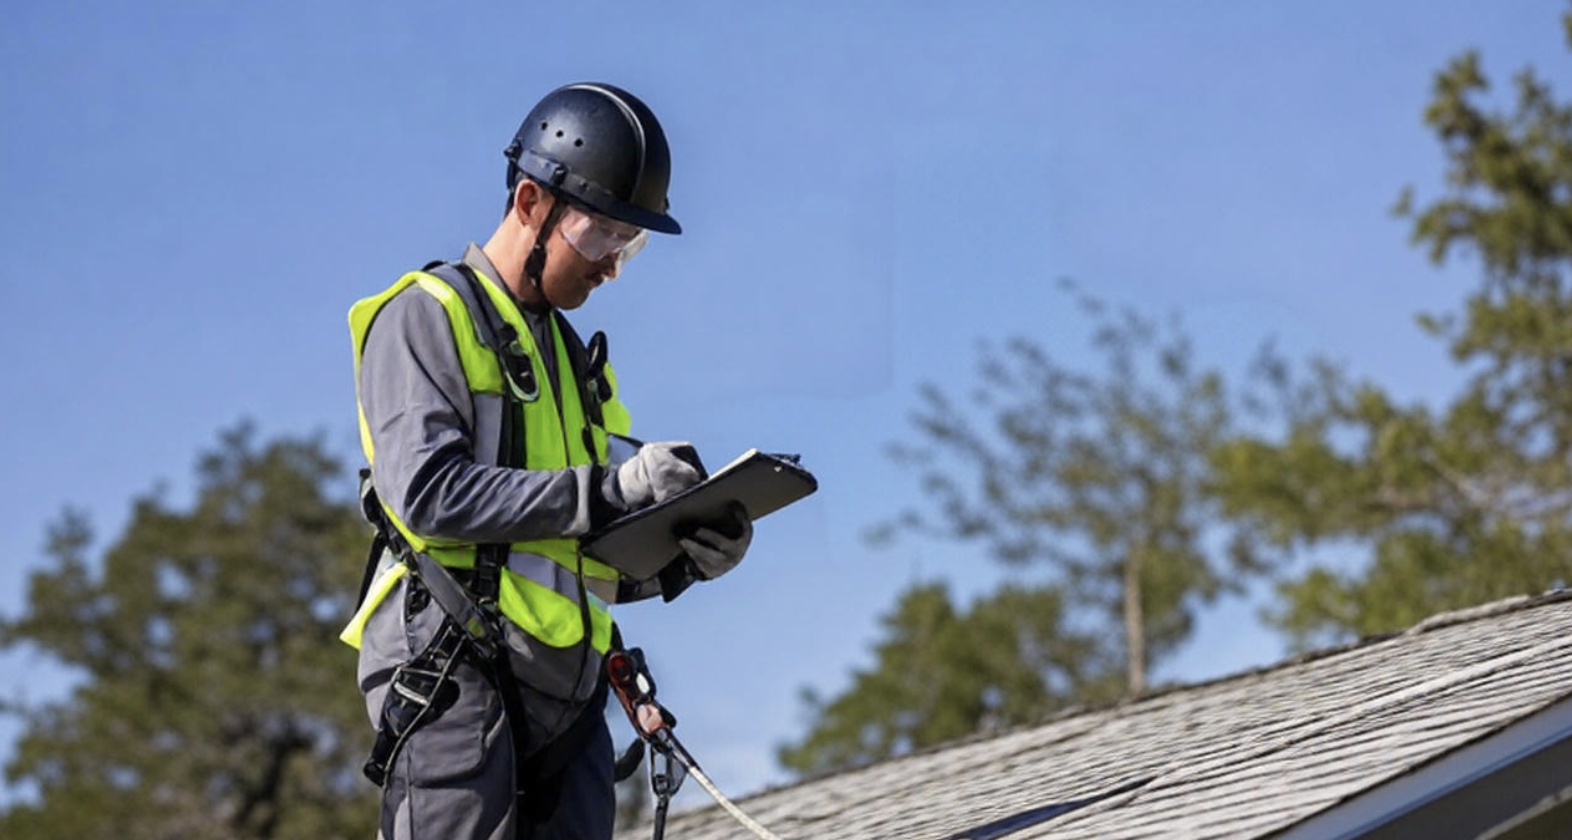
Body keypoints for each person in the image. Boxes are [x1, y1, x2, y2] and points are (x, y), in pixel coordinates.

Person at [338, 82, 754, 840]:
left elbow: (583, 556)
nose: (611, 269)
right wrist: (615, 487)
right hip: (452, 679)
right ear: (530, 202)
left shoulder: (578, 365)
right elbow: (429, 495)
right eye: (602, 239)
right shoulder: (425, 316)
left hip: (569, 699)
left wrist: (683, 557)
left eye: (631, 247)